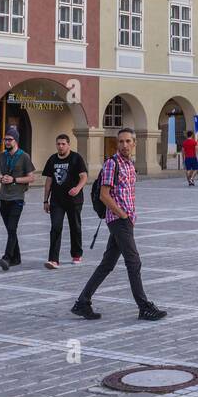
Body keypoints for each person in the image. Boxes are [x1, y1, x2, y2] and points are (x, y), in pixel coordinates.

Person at [71, 127, 166, 321]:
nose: (124, 145)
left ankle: (82, 302)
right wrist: (122, 215)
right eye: (121, 141)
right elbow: (103, 195)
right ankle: (144, 306)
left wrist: (129, 217)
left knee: (107, 264)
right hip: (118, 220)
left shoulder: (129, 165)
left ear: (134, 143)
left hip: (126, 220)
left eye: (128, 141)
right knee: (134, 262)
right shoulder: (111, 164)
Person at [0, 127, 36, 271]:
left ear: (16, 141)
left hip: (17, 198)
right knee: (11, 231)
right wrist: (1, 179)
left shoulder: (24, 157)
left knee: (12, 228)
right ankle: (17, 258)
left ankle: (7, 258)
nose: (7, 142)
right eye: (5, 139)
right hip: (3, 198)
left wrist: (14, 179)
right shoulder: (1, 157)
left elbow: (32, 177)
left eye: (10, 139)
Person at [41, 133, 88, 269]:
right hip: (57, 201)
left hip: (74, 200)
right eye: (58, 144)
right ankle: (53, 259)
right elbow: (49, 181)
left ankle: (77, 254)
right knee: (55, 227)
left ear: (68, 144)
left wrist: (78, 188)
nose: (60, 146)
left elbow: (84, 176)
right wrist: (45, 201)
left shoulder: (76, 158)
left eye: (63, 144)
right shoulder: (52, 159)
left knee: (75, 227)